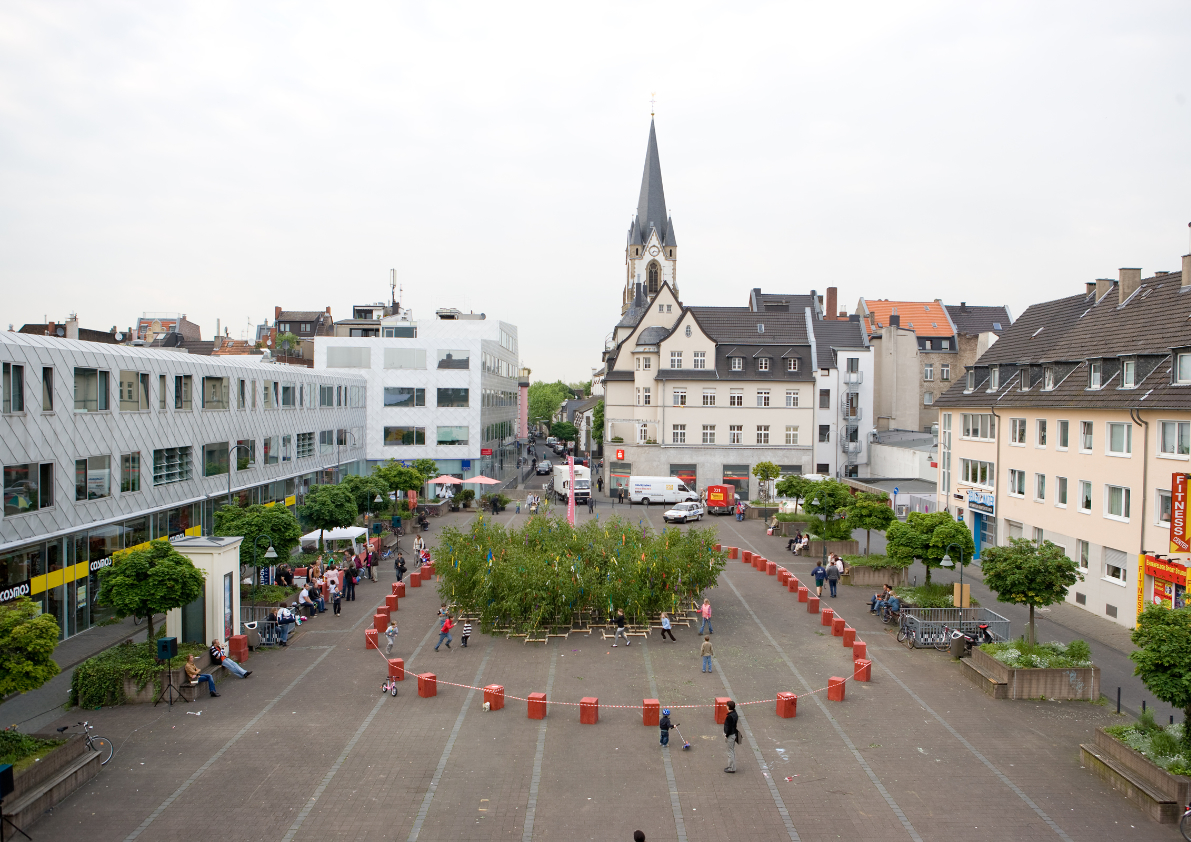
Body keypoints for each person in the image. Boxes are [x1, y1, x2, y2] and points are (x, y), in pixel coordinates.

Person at [723, 700, 740, 773]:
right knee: (731, 751)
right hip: (734, 734)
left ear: (729, 707)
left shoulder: (729, 717)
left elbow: (729, 728)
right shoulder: (735, 714)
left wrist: (726, 735)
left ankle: (731, 768)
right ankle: (731, 766)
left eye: (727, 706)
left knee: (730, 752)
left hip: (730, 735)